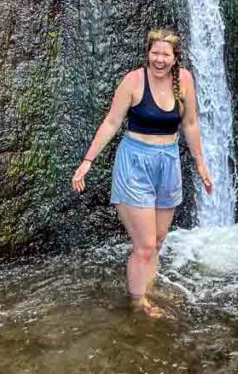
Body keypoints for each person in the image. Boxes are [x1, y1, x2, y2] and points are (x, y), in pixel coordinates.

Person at [71, 28, 214, 317]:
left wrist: (200, 162)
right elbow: (112, 122)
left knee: (159, 240)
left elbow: (190, 124)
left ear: (175, 58)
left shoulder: (184, 81)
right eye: (155, 53)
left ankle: (146, 287)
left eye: (166, 54)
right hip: (135, 161)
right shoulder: (134, 81)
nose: (160, 59)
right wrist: (88, 160)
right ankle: (138, 303)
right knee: (145, 244)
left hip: (169, 162)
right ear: (147, 53)